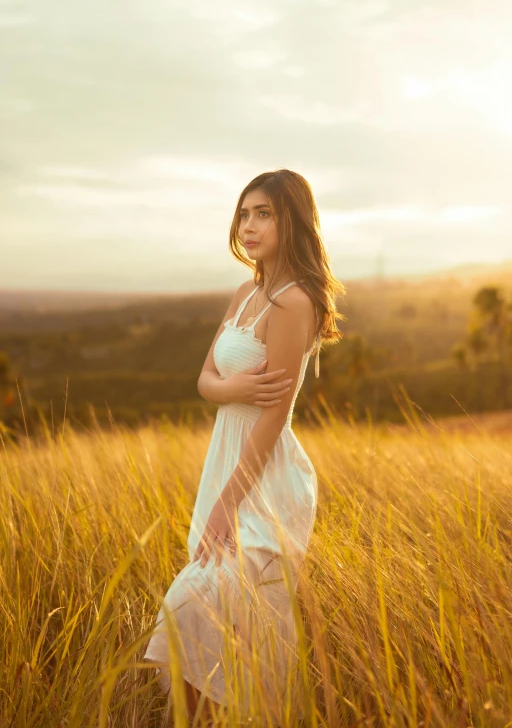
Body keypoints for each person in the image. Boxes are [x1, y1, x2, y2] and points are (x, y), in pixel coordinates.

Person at [143, 169, 345, 726]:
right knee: (212, 618)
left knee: (199, 602)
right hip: (225, 459)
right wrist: (232, 388)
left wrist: (228, 503)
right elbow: (205, 380)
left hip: (262, 476)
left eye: (265, 214)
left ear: (294, 222)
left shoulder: (293, 303)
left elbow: (274, 416)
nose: (249, 225)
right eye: (245, 213)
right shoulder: (245, 293)